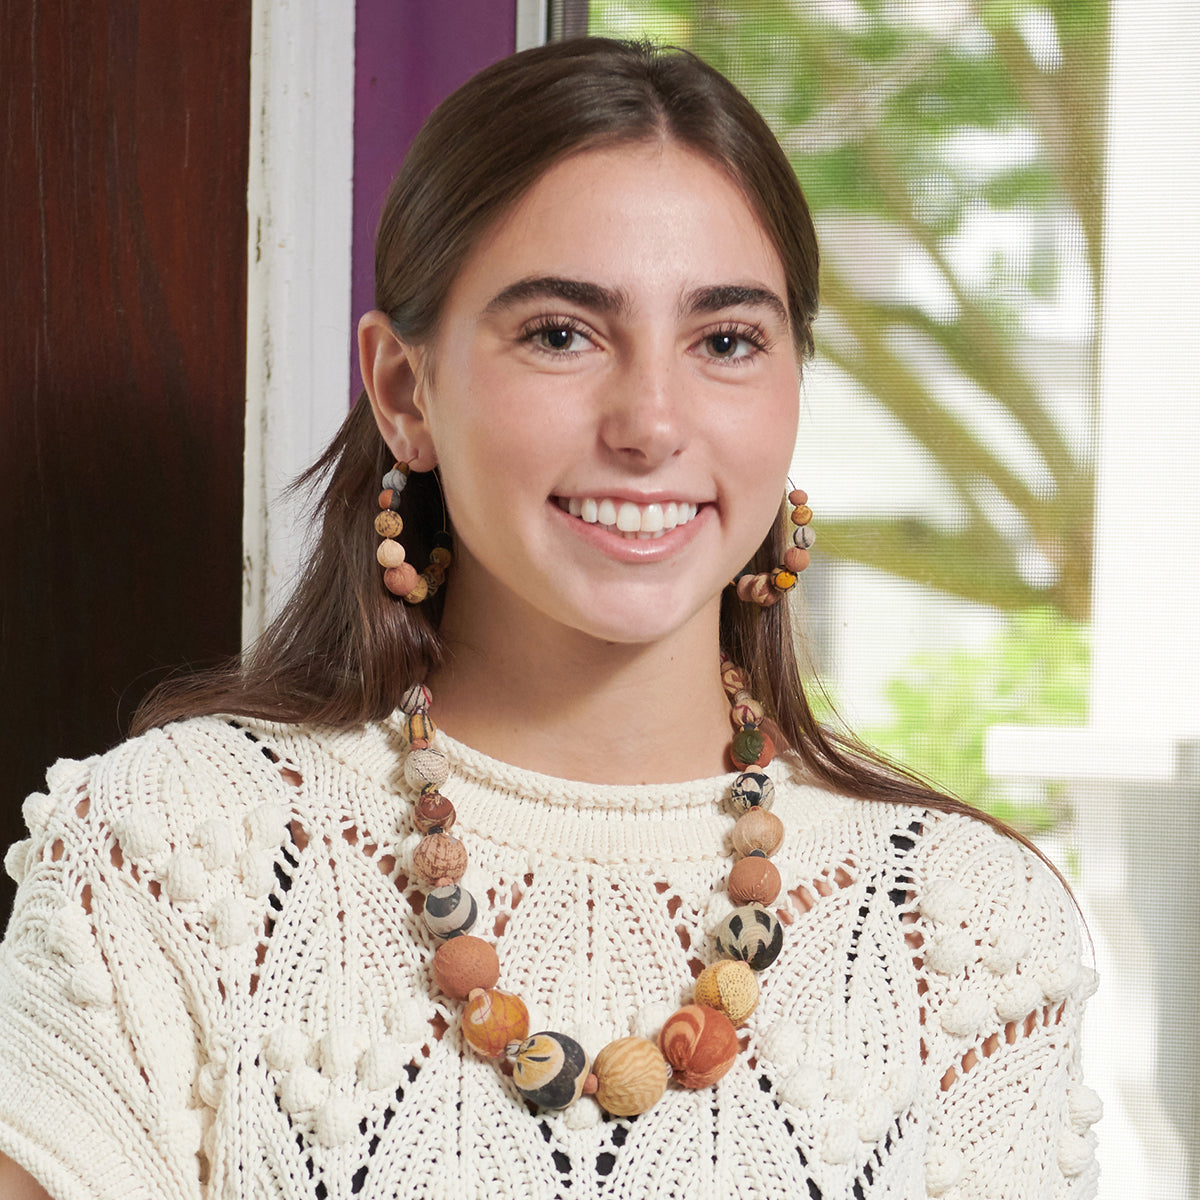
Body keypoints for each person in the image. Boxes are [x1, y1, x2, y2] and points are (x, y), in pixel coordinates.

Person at [0, 37, 1099, 1200]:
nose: (651, 422)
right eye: (562, 334)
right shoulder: (172, 853)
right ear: (403, 393)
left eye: (726, 340)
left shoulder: (968, 927)